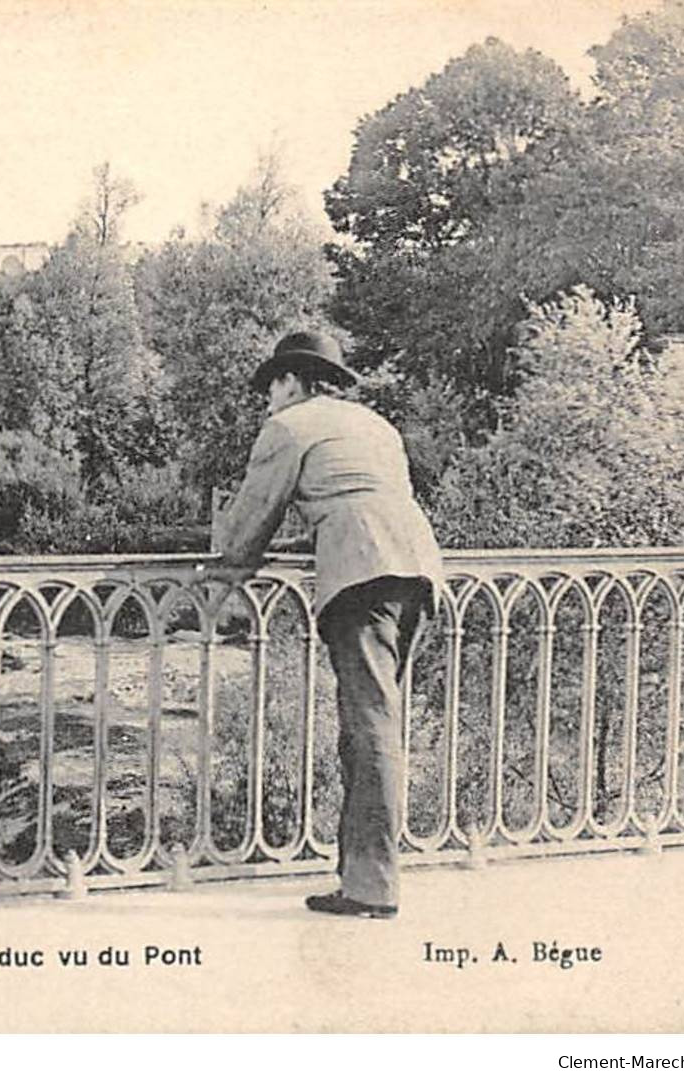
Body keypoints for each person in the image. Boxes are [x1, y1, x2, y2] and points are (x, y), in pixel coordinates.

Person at [213, 330, 444, 919]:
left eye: (270, 387)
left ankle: (372, 887)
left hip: (361, 574)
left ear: (291, 380)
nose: (267, 399)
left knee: (368, 729)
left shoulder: (288, 426)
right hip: (415, 567)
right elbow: (361, 497)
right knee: (378, 721)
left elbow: (243, 534)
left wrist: (223, 561)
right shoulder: (376, 427)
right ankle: (363, 875)